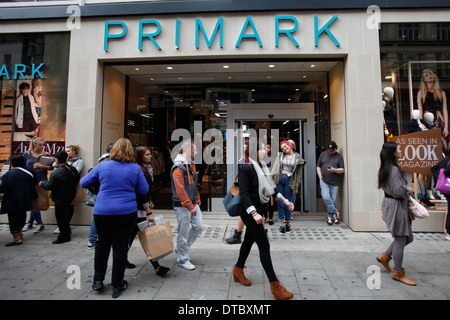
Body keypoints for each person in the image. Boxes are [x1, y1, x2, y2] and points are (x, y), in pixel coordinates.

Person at [80, 138, 149, 298]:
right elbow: (143, 189)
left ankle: (98, 281)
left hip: (102, 211)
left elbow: (84, 182)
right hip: (126, 211)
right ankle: (117, 284)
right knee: (120, 247)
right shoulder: (135, 168)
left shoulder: (102, 166)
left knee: (102, 244)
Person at [233, 138, 294, 300]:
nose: (265, 152)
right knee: (264, 246)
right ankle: (275, 285)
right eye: (261, 149)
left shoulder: (262, 167)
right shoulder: (246, 168)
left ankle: (238, 270)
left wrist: (285, 201)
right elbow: (244, 193)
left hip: (259, 210)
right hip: (250, 212)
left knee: (248, 241)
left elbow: (272, 188)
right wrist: (254, 214)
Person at [376, 141, 416, 286]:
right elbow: (399, 191)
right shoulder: (392, 170)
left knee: (407, 237)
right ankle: (398, 272)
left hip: (395, 204)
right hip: (395, 205)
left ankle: (386, 256)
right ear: (393, 152)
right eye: (398, 149)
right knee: (401, 238)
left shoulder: (388, 169)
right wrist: (409, 190)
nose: (400, 151)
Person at [127, 146, 170, 276]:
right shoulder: (139, 170)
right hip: (138, 208)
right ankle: (156, 266)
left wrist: (149, 200)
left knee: (132, 235)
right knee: (145, 236)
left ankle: (122, 257)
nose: (150, 156)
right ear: (140, 156)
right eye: (147, 155)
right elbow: (141, 191)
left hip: (141, 206)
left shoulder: (147, 169)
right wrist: (148, 210)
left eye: (150, 154)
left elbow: (145, 190)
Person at [171, 139, 204, 270]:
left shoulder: (190, 164)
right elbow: (180, 189)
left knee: (199, 226)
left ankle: (181, 249)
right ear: (188, 150)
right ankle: (182, 258)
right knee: (183, 232)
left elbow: (192, 184)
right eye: (195, 150)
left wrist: (196, 197)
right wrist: (189, 205)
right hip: (182, 205)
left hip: (191, 202)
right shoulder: (178, 167)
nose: (196, 152)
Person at [39, 151, 80, 244]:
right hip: (70, 195)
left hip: (60, 197)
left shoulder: (57, 172)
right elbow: (77, 178)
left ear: (57, 159)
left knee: (61, 217)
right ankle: (66, 231)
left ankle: (64, 235)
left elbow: (50, 185)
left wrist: (42, 183)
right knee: (66, 215)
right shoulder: (72, 168)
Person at [1, 154, 38, 246]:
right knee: (22, 215)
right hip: (26, 199)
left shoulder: (9, 174)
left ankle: (16, 238)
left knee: (13, 219)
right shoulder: (30, 171)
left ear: (12, 163)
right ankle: (20, 233)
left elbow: (3, 188)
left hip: (13, 200)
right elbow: (36, 182)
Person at [271, 140, 305, 234]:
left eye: (286, 147)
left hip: (290, 181)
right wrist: (271, 179)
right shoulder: (280, 155)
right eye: (283, 148)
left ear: (290, 145)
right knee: (281, 202)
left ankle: (288, 223)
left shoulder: (298, 157)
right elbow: (275, 167)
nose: (285, 149)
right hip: (280, 179)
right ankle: (281, 224)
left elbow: (298, 174)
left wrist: (296, 186)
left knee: (289, 203)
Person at [53, 144, 84, 234]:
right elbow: (54, 164)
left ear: (74, 152)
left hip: (71, 185)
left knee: (70, 205)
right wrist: (64, 160)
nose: (66, 152)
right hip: (60, 186)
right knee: (60, 209)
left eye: (68, 151)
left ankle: (65, 225)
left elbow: (76, 171)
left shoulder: (79, 161)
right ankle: (62, 226)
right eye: (65, 151)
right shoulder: (64, 160)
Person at [22, 137, 52, 234]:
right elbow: (22, 166)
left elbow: (52, 166)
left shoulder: (45, 155)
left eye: (43, 145)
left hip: (40, 179)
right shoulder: (26, 155)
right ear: (34, 145)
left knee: (36, 202)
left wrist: (42, 166)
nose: (42, 147)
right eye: (40, 145)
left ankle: (37, 223)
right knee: (33, 202)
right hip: (29, 180)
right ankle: (34, 222)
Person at [87, 143, 113, 249]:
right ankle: (93, 239)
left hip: (102, 193)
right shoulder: (107, 163)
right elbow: (85, 181)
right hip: (104, 194)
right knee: (99, 217)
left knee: (99, 216)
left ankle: (93, 239)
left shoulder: (103, 161)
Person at [417, 69, 448, 152]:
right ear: (424, 80)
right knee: (431, 141)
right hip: (428, 117)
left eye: (430, 74)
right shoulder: (421, 93)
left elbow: (445, 109)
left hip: (439, 117)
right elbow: (420, 109)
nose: (429, 76)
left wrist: (446, 127)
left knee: (442, 140)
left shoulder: (441, 92)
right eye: (426, 75)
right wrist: (420, 124)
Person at [316, 141, 345, 225]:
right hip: (324, 180)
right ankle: (336, 212)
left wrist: (334, 170)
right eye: (329, 149)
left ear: (336, 148)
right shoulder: (323, 154)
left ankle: (330, 215)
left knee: (333, 200)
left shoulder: (339, 157)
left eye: (332, 150)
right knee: (326, 197)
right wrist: (320, 176)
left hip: (335, 181)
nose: (330, 151)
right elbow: (318, 166)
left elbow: (342, 170)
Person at [431, 154, 450, 241]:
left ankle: (448, 231)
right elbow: (446, 171)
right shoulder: (447, 160)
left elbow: (434, 168)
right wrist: (438, 180)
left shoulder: (446, 160)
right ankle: (448, 232)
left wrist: (438, 180)